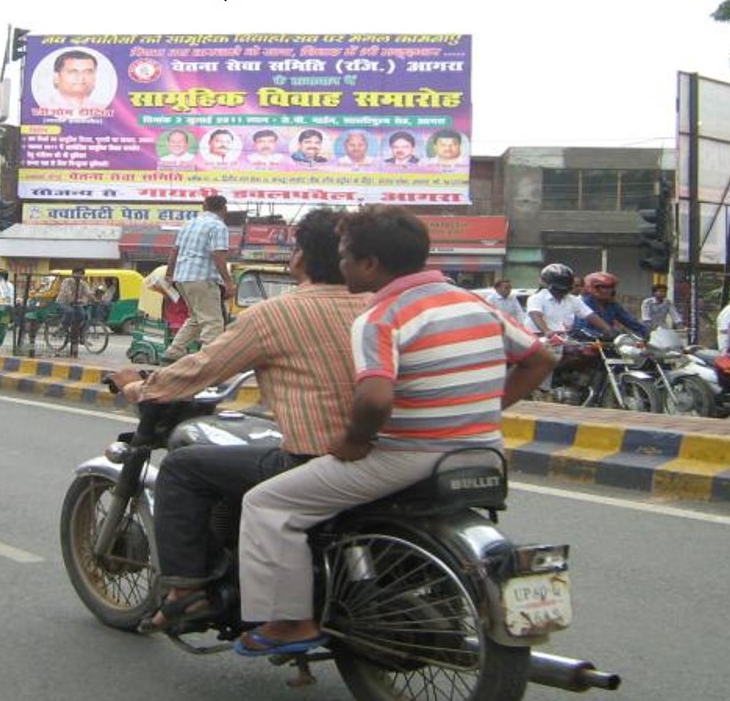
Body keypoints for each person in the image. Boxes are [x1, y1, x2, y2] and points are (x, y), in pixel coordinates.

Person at [232, 205, 555, 655]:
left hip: (410, 456)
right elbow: (540, 359)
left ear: (369, 264)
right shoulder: (472, 302)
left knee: (266, 503)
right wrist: (486, 407)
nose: (340, 264)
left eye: (345, 256)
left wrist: (354, 441)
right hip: (482, 452)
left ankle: (290, 623)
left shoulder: (381, 316)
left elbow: (376, 398)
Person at [109, 209, 370, 631]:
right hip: (379, 454)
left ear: (300, 258)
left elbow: (202, 368)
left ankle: (188, 591)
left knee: (182, 468)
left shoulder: (274, 314)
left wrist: (139, 387)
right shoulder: (380, 306)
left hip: (317, 457)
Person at [162, 194, 234, 363]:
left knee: (195, 318)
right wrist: (228, 282)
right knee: (213, 322)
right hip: (203, 278)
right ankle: (208, 360)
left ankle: (174, 351)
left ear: (204, 207)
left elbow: (174, 251)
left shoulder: (189, 224)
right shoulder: (218, 227)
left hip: (182, 278)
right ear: (224, 209)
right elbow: (218, 255)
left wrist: (169, 274)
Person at [524, 263, 610, 339]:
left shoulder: (573, 300)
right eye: (558, 288)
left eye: (565, 289)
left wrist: (609, 330)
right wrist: (547, 331)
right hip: (538, 340)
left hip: (563, 341)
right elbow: (536, 315)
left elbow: (590, 315)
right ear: (547, 284)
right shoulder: (536, 298)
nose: (561, 291)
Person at [575, 271, 647, 339]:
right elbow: (581, 329)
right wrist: (604, 335)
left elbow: (630, 321)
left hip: (608, 344)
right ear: (591, 287)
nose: (608, 290)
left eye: (611, 287)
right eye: (603, 287)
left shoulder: (612, 305)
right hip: (586, 345)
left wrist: (648, 334)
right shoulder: (584, 304)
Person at [43, 49, 102, 118]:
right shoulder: (43, 109)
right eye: (73, 72)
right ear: (56, 77)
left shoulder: (101, 110)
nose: (81, 77)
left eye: (88, 72)